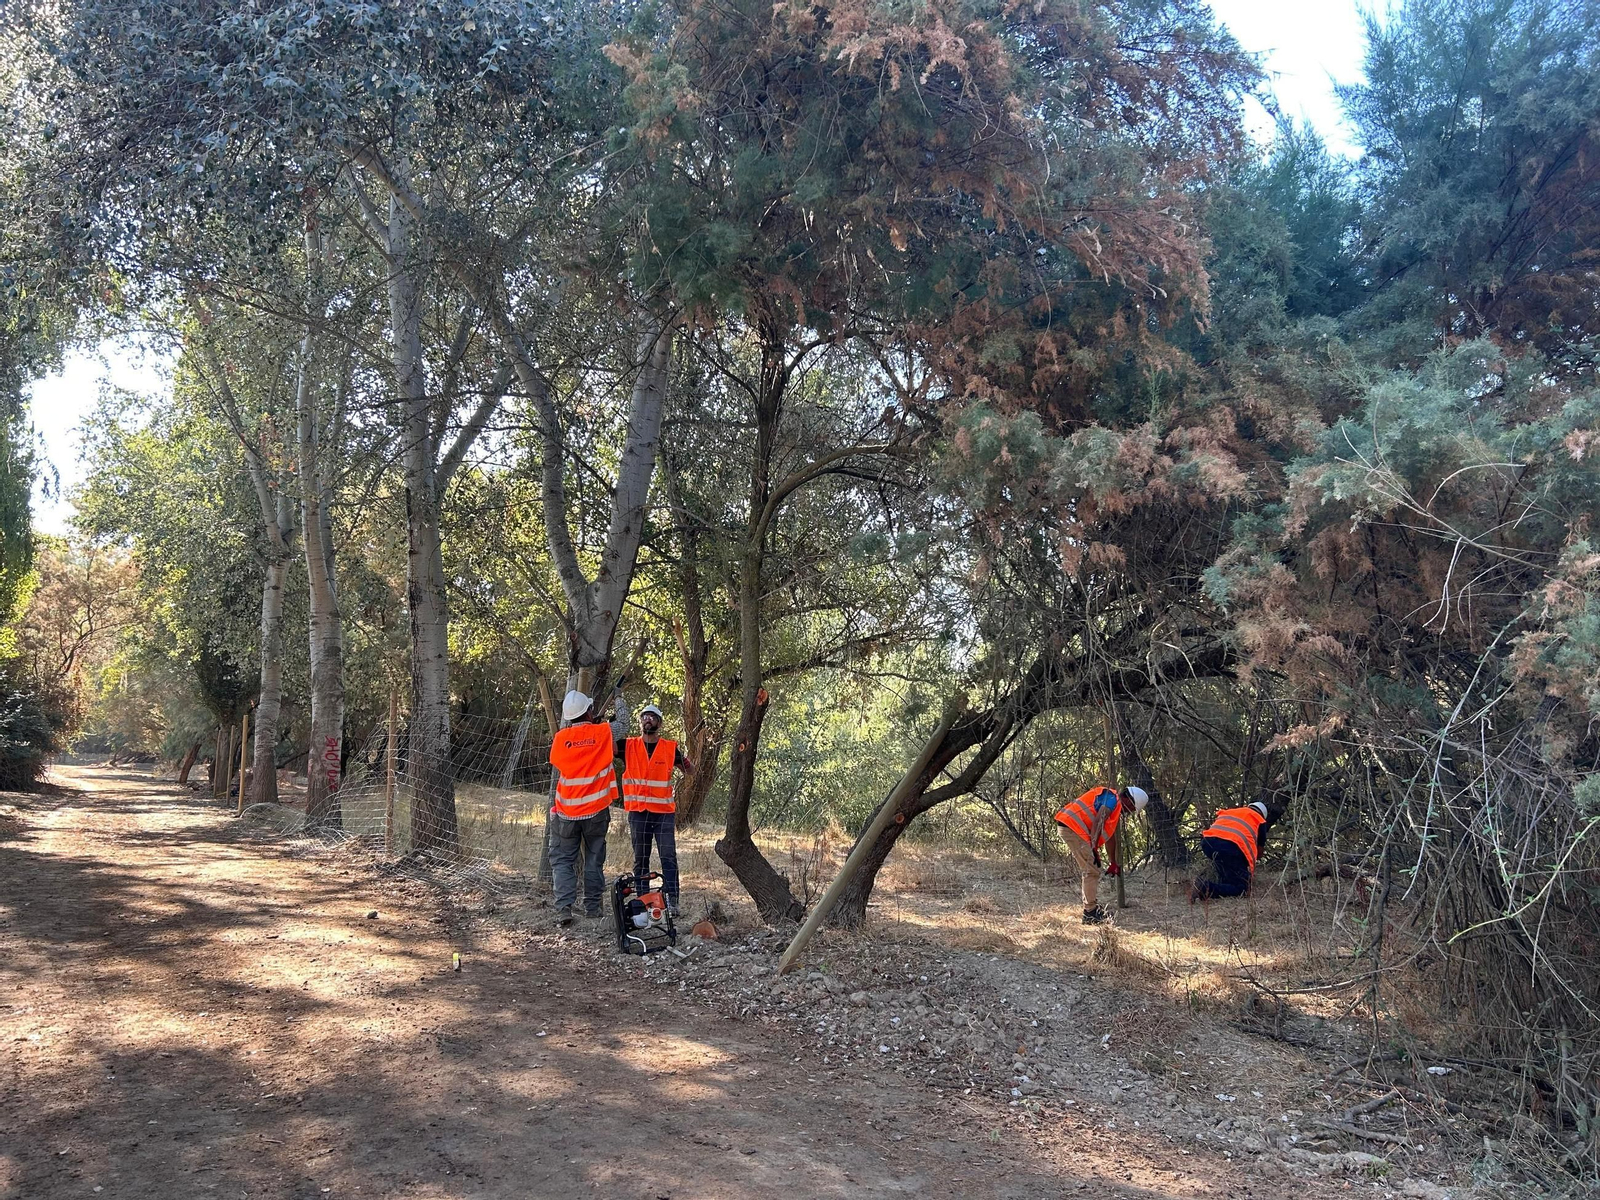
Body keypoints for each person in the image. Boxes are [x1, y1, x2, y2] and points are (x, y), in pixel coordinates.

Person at [547, 686, 630, 927]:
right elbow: (624, 724)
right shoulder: (603, 732)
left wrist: (590, 728)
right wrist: (619, 698)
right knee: (593, 859)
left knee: (563, 860)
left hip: (566, 812)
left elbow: (575, 747)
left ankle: (564, 908)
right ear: (590, 711)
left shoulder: (560, 739)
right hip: (595, 811)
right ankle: (593, 908)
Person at [621, 703, 695, 916]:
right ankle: (643, 902)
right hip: (638, 812)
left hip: (663, 813)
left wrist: (685, 761)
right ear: (640, 722)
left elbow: (690, 770)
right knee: (640, 859)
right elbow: (606, 745)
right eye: (644, 716)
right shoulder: (628, 745)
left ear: (659, 723)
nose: (648, 719)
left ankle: (672, 902)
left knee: (668, 857)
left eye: (652, 717)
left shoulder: (669, 748)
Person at [1054, 783, 1149, 925]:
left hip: (1071, 826)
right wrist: (1093, 847)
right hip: (1072, 827)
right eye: (1131, 809)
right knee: (1091, 870)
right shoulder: (1112, 800)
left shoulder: (1113, 804)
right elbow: (1099, 821)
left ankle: (1091, 910)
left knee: (1091, 869)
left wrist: (1113, 862)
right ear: (1129, 801)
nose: (1129, 813)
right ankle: (1090, 913)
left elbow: (1110, 838)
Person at [1190, 800, 1271, 902]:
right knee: (1243, 888)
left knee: (1227, 876)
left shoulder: (1232, 811)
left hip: (1208, 843)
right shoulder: (1259, 819)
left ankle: (1206, 886)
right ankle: (1204, 888)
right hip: (1230, 847)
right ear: (1263, 815)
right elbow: (1259, 851)